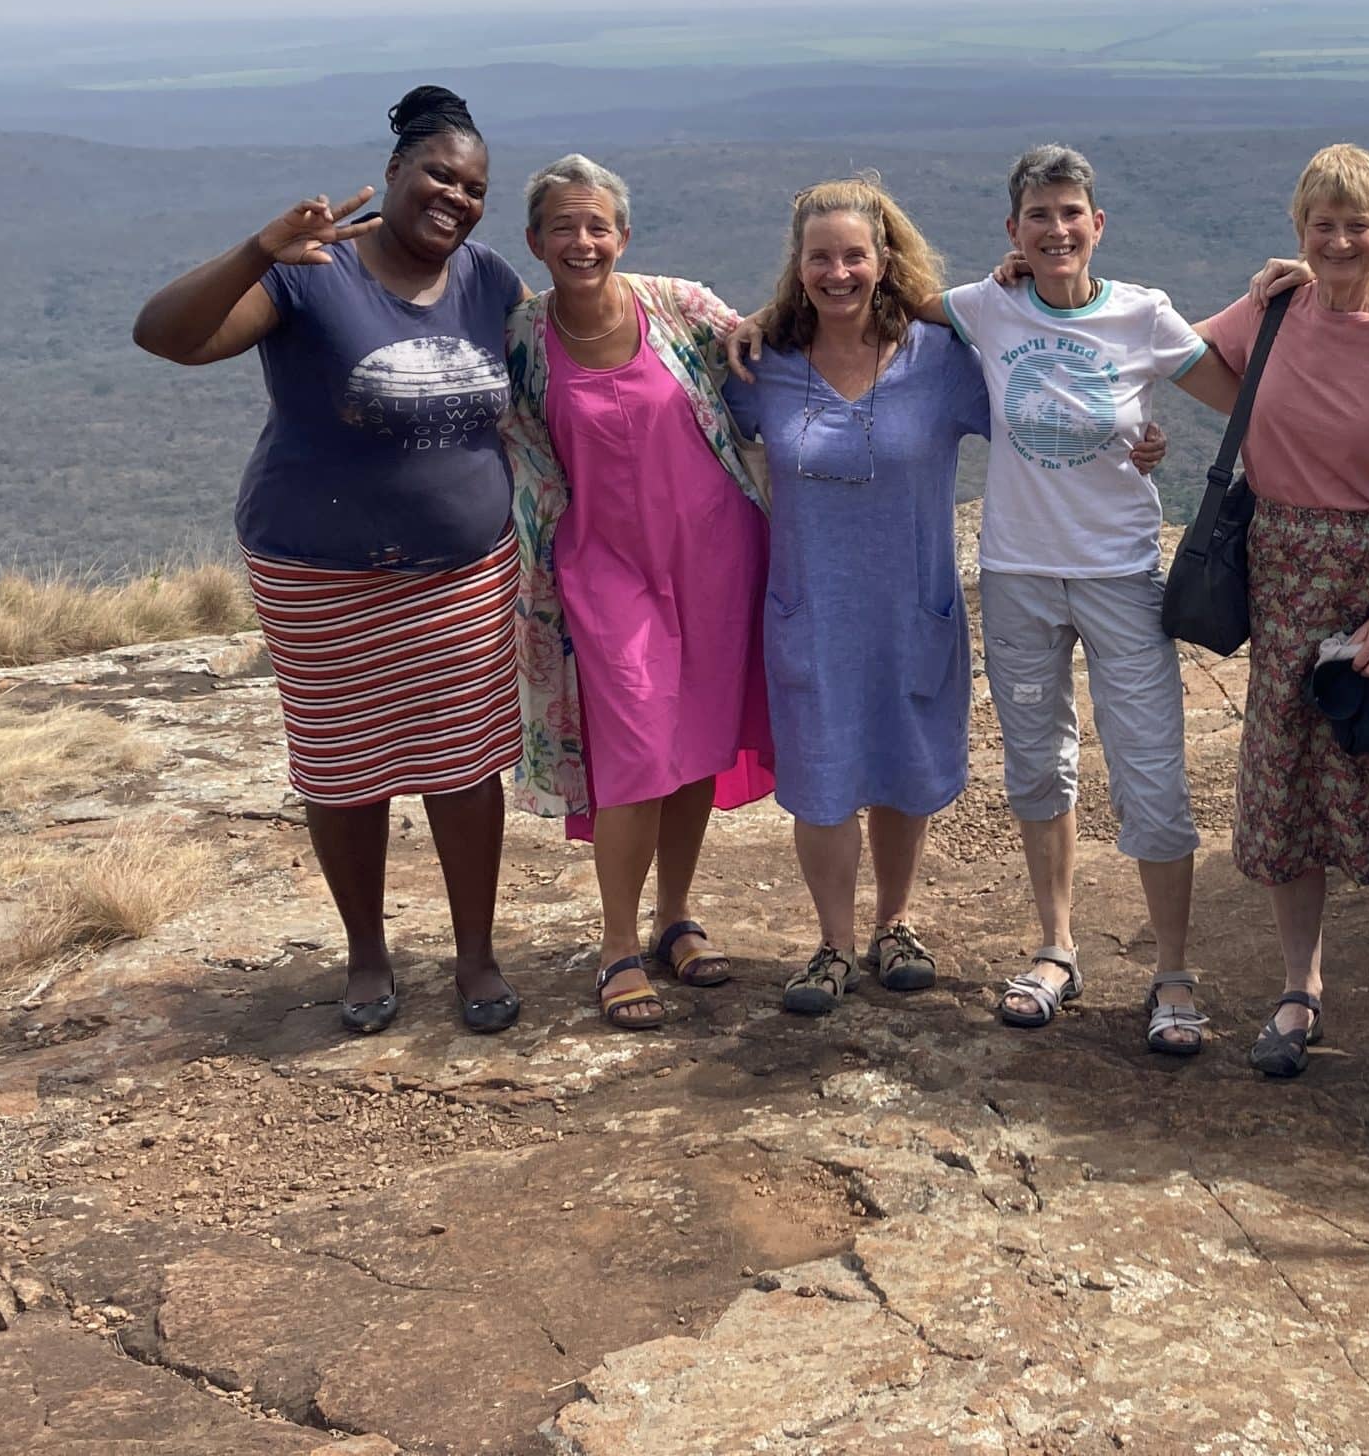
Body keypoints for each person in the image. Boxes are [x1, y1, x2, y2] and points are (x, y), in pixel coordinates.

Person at [133, 84, 525, 1037]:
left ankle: (475, 955)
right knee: (345, 767)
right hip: (318, 568)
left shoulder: (491, 282)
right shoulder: (312, 272)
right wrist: (257, 252)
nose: (456, 198)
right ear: (392, 173)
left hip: (464, 570)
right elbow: (168, 337)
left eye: (474, 187)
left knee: (464, 765)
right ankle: (367, 954)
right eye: (438, 174)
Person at [942, 144, 1242, 1055]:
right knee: (1037, 761)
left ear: (1097, 224)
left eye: (1071, 213)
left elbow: (1246, 398)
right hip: (1019, 573)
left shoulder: (1142, 314)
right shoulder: (984, 306)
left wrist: (1287, 293)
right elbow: (869, 296)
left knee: (1150, 766)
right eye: (1039, 216)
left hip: (1119, 573)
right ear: (1013, 232)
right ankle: (1056, 948)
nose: (1058, 228)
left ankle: (1174, 972)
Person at [1192, 146, 1369, 1092]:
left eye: (1358, 224)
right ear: (1300, 229)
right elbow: (1179, 355)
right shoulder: (1271, 312)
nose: (1341, 239)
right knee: (1291, 775)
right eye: (1324, 223)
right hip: (1281, 570)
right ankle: (1299, 989)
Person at [499, 155, 776, 1033]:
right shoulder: (522, 336)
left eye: (598, 226)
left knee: (692, 743)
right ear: (535, 241)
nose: (582, 242)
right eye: (564, 228)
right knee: (633, 754)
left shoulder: (679, 307)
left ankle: (674, 918)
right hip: (602, 568)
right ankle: (618, 944)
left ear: (624, 235)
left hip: (715, 556)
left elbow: (775, 342)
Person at [722, 180, 990, 1016]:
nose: (838, 272)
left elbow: (1034, 404)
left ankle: (895, 923)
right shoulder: (763, 367)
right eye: (820, 257)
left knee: (904, 768)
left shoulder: (941, 362)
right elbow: (690, 420)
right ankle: (832, 943)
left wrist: (1135, 439)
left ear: (885, 262)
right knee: (825, 774)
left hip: (912, 604)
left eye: (854, 255)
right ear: (797, 269)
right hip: (813, 608)